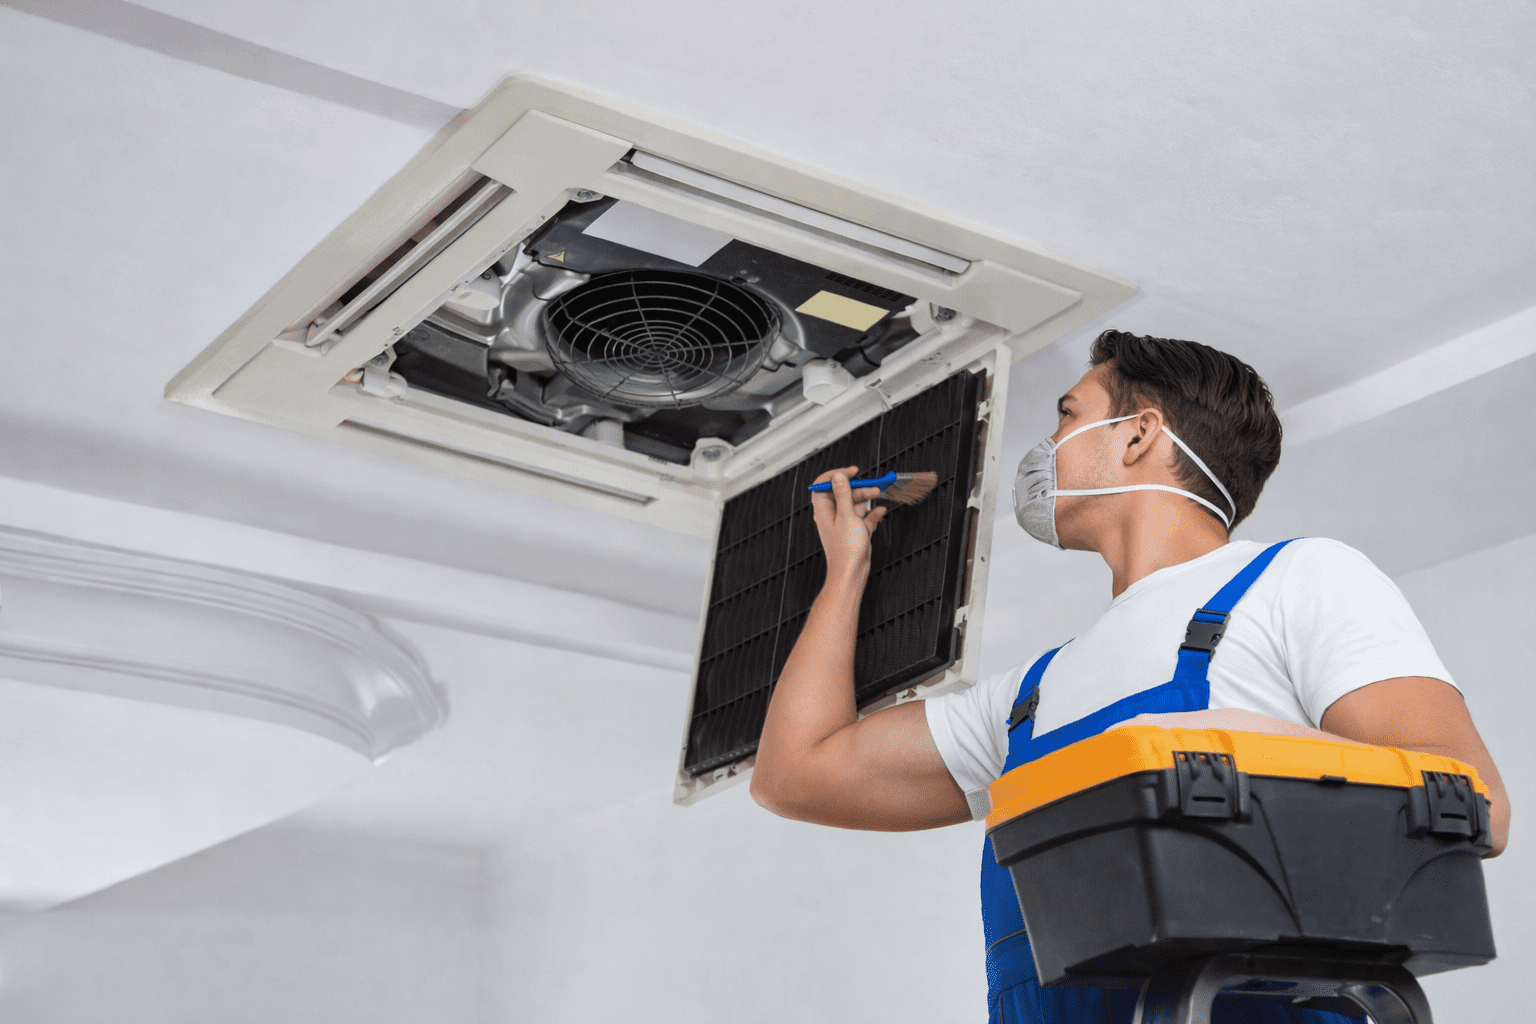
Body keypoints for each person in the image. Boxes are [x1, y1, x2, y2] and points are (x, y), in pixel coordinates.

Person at [749, 330, 1510, 1024]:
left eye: (1067, 416)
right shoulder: (1029, 697)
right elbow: (796, 773)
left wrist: (1219, 744)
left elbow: (1474, 800)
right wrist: (845, 573)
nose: (1047, 446)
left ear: (1139, 434)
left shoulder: (1299, 579)